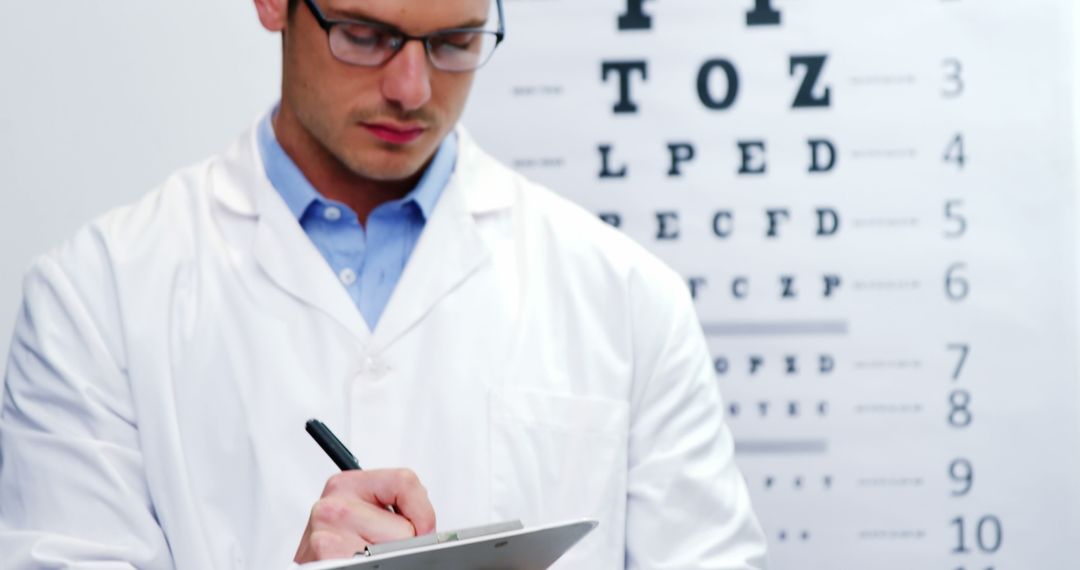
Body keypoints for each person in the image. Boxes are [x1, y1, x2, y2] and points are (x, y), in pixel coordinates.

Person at [0, 0, 768, 567]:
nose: (410, 87)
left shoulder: (628, 298)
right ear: (276, 7)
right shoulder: (95, 297)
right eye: (364, 35)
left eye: (456, 43)